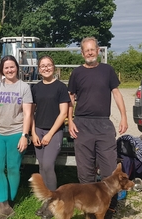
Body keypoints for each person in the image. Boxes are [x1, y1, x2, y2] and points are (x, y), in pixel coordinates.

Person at [67, 37, 128, 219]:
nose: (90, 53)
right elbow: (70, 98)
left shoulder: (107, 70)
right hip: (82, 124)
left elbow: (116, 93)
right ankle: (90, 211)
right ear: (82, 53)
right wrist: (69, 120)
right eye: (87, 50)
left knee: (110, 169)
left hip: (103, 124)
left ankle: (109, 208)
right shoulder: (77, 73)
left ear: (98, 50)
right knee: (85, 172)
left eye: (93, 49)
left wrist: (124, 116)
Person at [0, 55, 33, 219]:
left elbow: (28, 114)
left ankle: (8, 205)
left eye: (12, 67)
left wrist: (24, 136)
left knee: (13, 169)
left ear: (17, 68)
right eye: (6, 67)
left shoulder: (24, 88)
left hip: (16, 134)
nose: (9, 70)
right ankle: (3, 205)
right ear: (2, 70)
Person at [31, 55, 70, 219]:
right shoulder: (35, 88)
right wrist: (33, 132)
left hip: (53, 132)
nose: (46, 68)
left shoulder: (61, 87)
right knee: (41, 166)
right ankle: (46, 202)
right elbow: (30, 112)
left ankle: (53, 203)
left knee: (48, 165)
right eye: (42, 66)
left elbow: (63, 114)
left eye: (48, 65)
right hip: (38, 131)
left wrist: (50, 134)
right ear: (39, 69)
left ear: (53, 67)